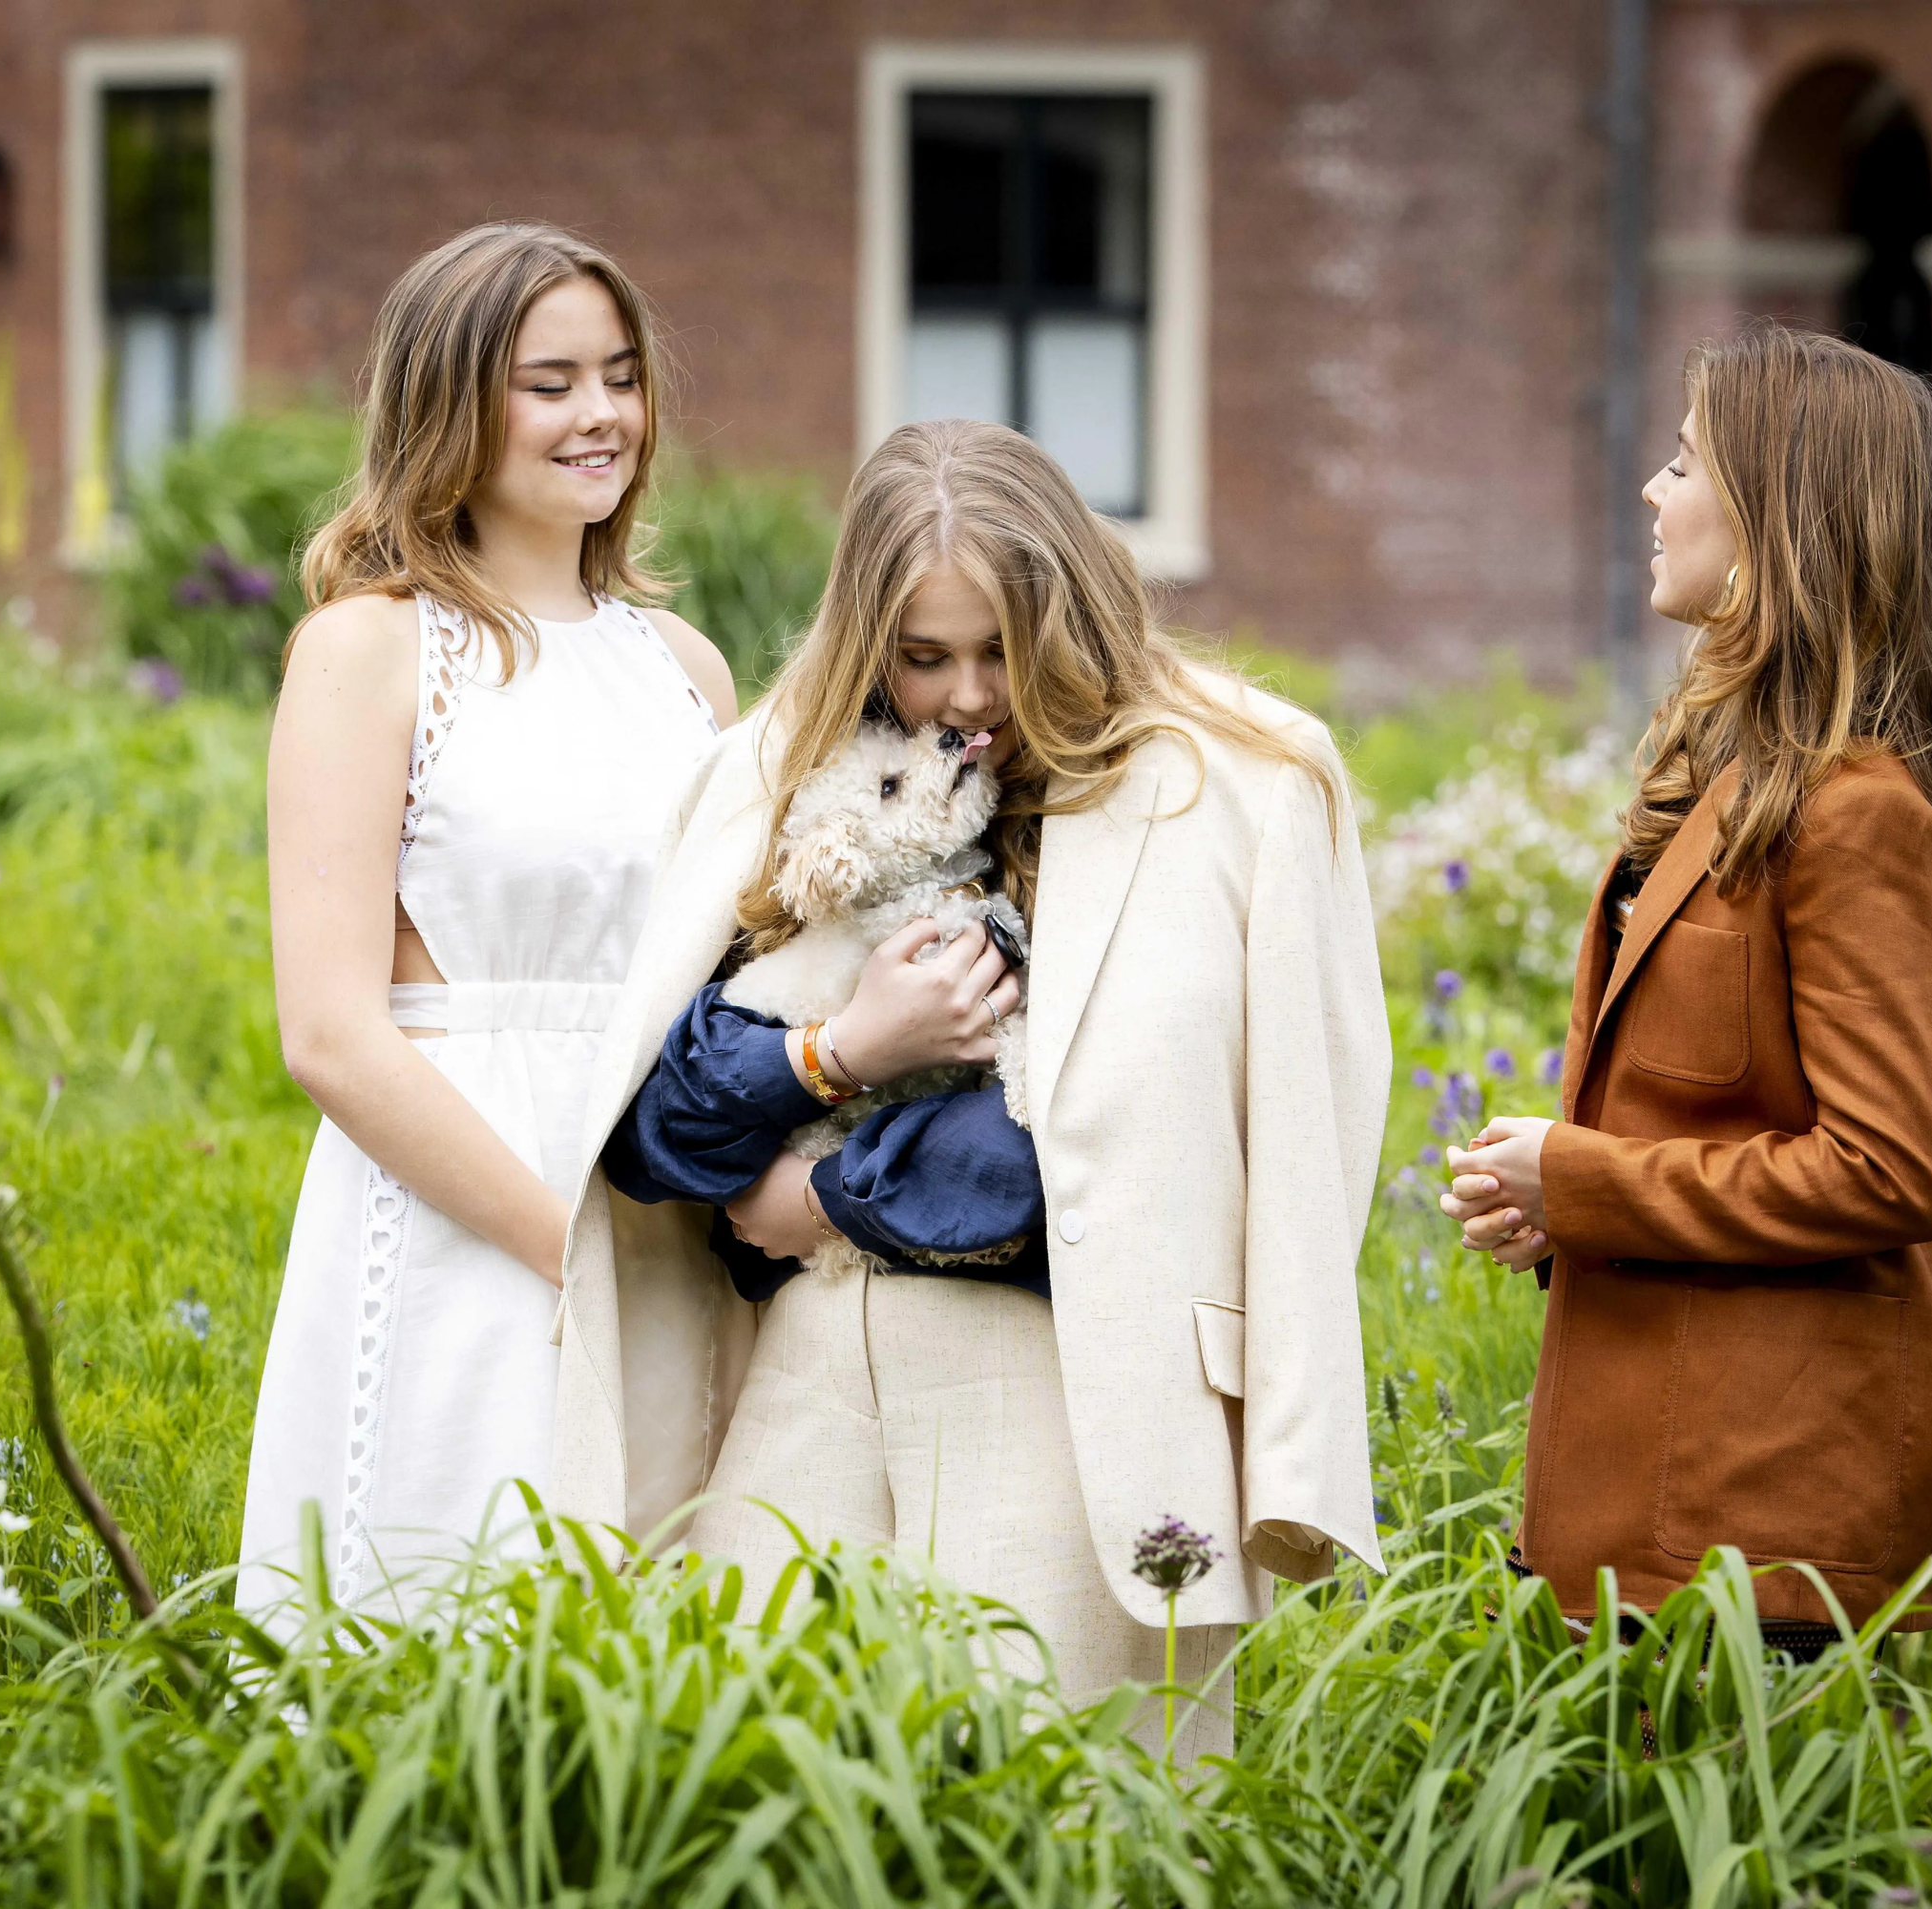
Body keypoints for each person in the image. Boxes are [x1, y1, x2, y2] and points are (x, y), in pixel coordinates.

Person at [547, 419, 1392, 1756]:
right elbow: (646, 1111)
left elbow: (1296, 1146)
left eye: (1002, 647)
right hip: (807, 1363)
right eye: (925, 655)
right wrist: (839, 1054)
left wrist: (823, 1190)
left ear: (1079, 610)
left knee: (1066, 1816)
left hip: (1076, 1379)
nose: (967, 696)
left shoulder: (1251, 784)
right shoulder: (783, 775)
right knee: (754, 1784)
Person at [1439, 322, 1932, 1649]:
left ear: (1783, 510)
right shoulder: (1742, 779)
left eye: (1683, 462)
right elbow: (1725, 1124)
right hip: (1665, 1507)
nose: (1653, 494)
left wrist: (1584, 1178)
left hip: (1766, 1537)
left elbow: (1888, 1172)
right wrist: (1565, 1207)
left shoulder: (1856, 813)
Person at [237, 223, 736, 1625]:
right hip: (464, 1207)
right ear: (453, 403)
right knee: (446, 1607)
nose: (601, 417)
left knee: (649, 1628)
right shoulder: (371, 648)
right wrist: (561, 1243)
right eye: (551, 382)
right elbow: (332, 1035)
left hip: (662, 1196)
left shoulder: (683, 668)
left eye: (621, 378)